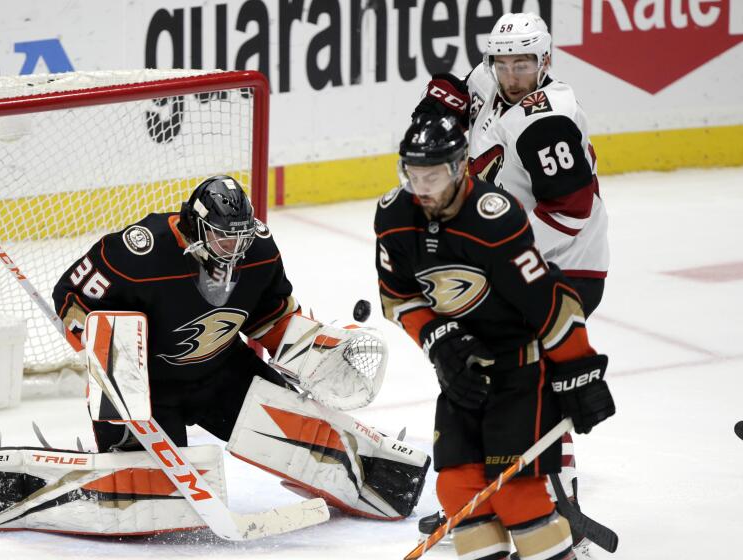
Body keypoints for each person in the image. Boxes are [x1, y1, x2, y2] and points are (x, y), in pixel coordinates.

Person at [49, 175, 429, 524]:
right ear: (196, 227)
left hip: (223, 375)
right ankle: (100, 477)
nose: (236, 248)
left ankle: (367, 475)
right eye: (224, 238)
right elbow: (70, 296)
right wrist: (103, 348)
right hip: (149, 388)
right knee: (160, 500)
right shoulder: (139, 253)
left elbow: (272, 316)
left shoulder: (258, 250)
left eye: (241, 237)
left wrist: (312, 353)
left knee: (305, 435)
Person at [375, 115, 615, 560]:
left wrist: (581, 370)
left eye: (434, 175)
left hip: (519, 367)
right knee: (457, 490)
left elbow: (547, 300)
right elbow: (398, 297)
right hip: (464, 372)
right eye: (413, 174)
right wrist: (439, 340)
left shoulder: (494, 218)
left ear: (460, 167)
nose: (422, 187)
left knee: (517, 497)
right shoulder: (393, 215)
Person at [412, 11, 609, 544]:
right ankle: (492, 495)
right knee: (488, 376)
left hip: (562, 270)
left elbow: (571, 213)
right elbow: (457, 87)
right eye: (505, 62)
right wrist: (439, 99)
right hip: (508, 268)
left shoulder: (549, 120)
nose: (513, 73)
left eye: (525, 62)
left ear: (545, 62)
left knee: (539, 383)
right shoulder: (491, 79)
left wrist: (497, 258)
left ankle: (556, 504)